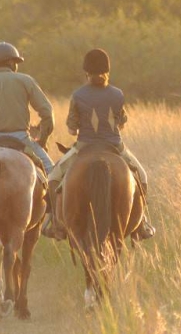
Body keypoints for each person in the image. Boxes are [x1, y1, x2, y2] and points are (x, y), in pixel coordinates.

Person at [42, 48, 156, 241]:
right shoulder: (118, 94)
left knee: (53, 177)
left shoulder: (78, 95)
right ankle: (142, 222)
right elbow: (121, 123)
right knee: (142, 176)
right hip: (115, 146)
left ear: (86, 71)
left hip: (84, 146)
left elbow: (72, 129)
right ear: (107, 70)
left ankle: (56, 223)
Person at [0, 41, 55, 175]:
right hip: (21, 138)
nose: (16, 65)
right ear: (10, 62)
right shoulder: (25, 80)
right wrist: (42, 140)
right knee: (51, 172)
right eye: (15, 62)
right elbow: (47, 112)